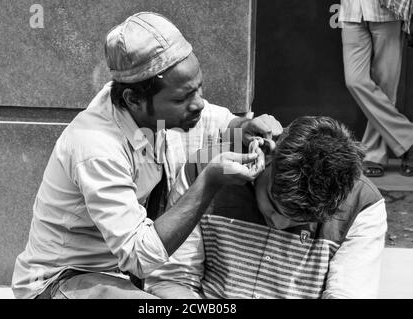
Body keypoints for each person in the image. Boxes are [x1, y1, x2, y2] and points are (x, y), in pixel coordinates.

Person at [11, 12, 282, 299]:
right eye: (182, 98)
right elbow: (140, 257)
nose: (198, 103)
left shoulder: (147, 112)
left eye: (198, 88)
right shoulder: (96, 147)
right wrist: (208, 182)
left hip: (119, 278)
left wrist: (240, 127)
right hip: (59, 282)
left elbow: (209, 119)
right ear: (133, 99)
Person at [145, 116, 387, 299]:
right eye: (273, 205)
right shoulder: (207, 171)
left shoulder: (362, 205)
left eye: (299, 220)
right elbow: (170, 281)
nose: (280, 224)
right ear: (266, 156)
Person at [339, 0, 413, 177]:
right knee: (354, 80)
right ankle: (408, 138)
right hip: (352, 11)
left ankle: (374, 154)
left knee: (386, 87)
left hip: (386, 11)